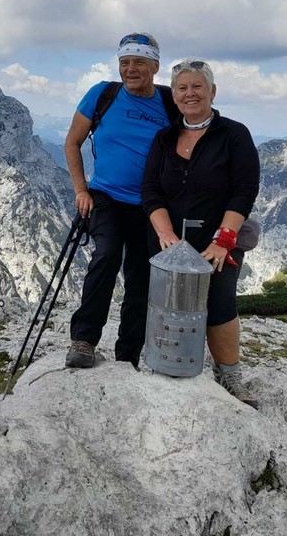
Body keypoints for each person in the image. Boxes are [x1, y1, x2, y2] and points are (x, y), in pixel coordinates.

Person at [141, 59, 260, 407]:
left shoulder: (234, 134)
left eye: (197, 86)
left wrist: (224, 240)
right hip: (168, 240)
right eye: (182, 88)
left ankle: (229, 374)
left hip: (217, 240)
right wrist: (165, 235)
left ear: (212, 92)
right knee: (164, 302)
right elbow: (150, 190)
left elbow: (244, 191)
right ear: (174, 94)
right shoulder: (164, 138)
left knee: (220, 301)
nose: (189, 93)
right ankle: (166, 366)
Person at [64, 32, 179, 368]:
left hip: (151, 204)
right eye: (124, 62)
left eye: (139, 62)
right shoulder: (102, 94)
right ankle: (84, 340)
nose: (130, 69)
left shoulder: (169, 102)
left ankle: (127, 356)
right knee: (106, 255)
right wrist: (81, 190)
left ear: (155, 66)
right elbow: (72, 143)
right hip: (106, 197)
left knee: (142, 279)